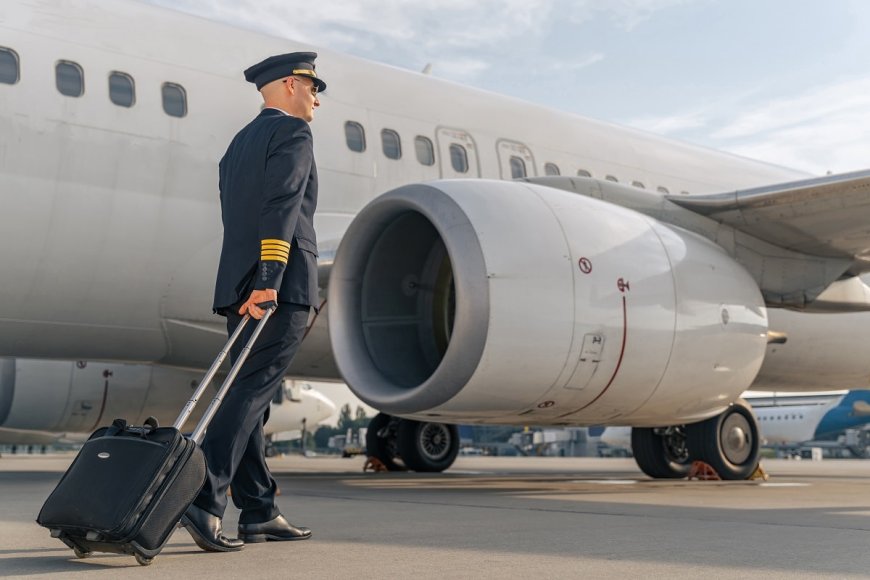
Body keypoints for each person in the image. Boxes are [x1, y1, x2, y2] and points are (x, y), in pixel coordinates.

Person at [180, 52, 325, 552]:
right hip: (277, 286)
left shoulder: (238, 144)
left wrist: (250, 280)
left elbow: (233, 213)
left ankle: (259, 511)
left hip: (237, 285)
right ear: (289, 84)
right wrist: (271, 277)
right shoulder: (293, 134)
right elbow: (282, 204)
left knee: (251, 400)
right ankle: (204, 499)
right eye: (311, 87)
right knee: (251, 394)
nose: (316, 99)